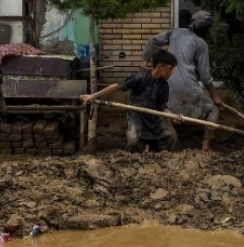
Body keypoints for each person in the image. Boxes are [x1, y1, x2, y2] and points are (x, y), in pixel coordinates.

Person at [142, 10, 223, 151]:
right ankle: (205, 145)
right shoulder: (201, 44)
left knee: (160, 108)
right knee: (213, 109)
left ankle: (152, 140)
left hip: (166, 86)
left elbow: (153, 41)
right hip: (189, 88)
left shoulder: (175, 32)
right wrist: (215, 96)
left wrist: (145, 60)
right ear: (206, 28)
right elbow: (205, 76)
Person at [81, 50, 179, 153]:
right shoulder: (140, 77)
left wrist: (171, 116)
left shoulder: (164, 85)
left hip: (155, 116)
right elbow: (117, 86)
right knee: (133, 141)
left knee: (171, 137)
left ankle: (164, 159)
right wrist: (93, 96)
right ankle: (133, 162)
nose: (172, 72)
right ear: (160, 67)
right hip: (137, 115)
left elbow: (162, 106)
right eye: (170, 69)